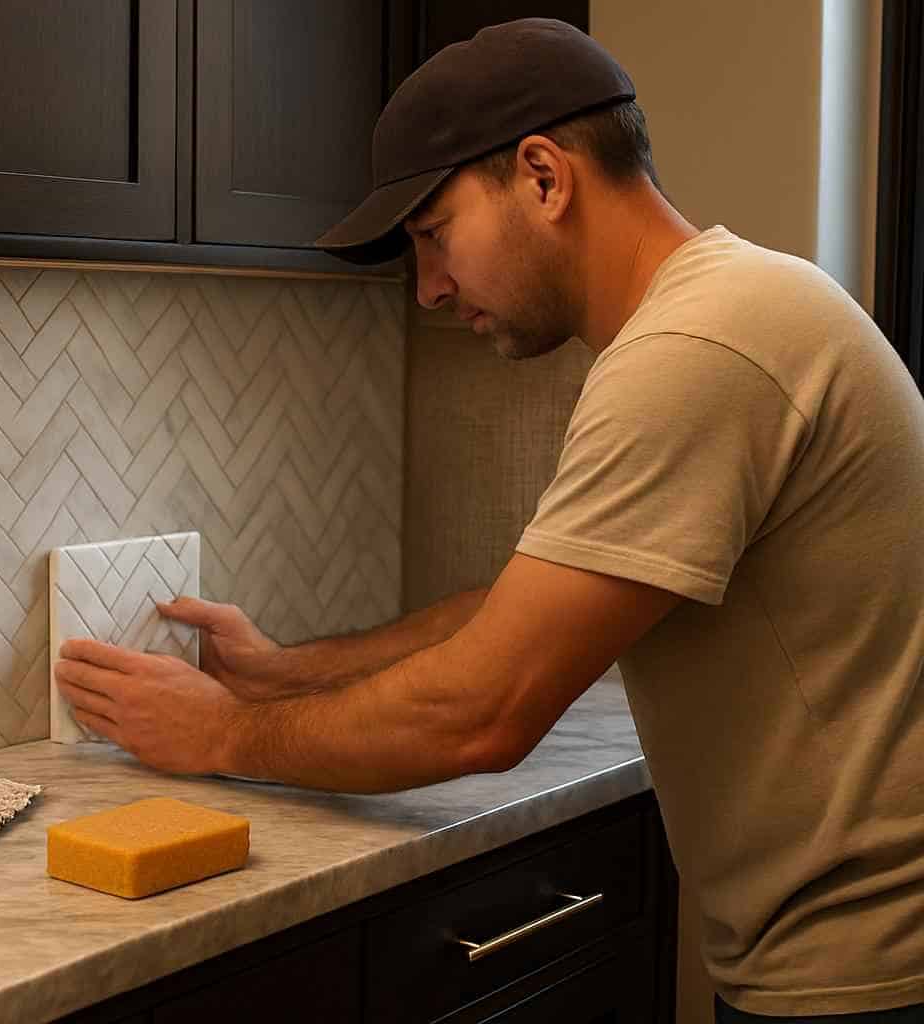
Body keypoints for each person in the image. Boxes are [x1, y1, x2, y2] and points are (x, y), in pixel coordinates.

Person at [53, 17, 924, 1024]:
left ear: (545, 178)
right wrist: (292, 671)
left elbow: (483, 710)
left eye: (433, 235)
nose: (427, 288)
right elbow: (522, 607)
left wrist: (220, 733)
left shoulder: (698, 348)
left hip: (870, 977)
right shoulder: (727, 311)